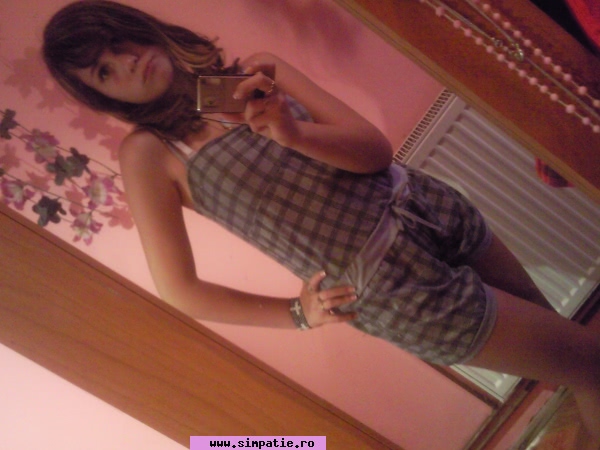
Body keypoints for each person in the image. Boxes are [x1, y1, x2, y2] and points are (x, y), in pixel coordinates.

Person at [43, 1, 600, 446]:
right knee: (586, 361)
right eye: (104, 71)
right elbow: (180, 290)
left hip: (427, 206)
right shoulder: (149, 152)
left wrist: (293, 133)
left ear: (138, 27)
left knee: (571, 357)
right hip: (392, 290)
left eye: (119, 43)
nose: (126, 64)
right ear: (101, 94)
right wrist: (296, 315)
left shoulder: (255, 72)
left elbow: (374, 151)